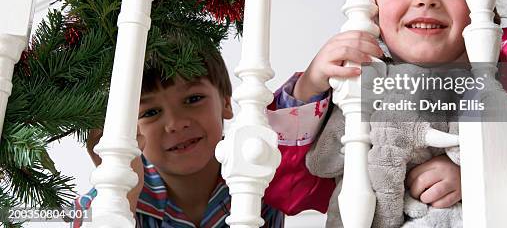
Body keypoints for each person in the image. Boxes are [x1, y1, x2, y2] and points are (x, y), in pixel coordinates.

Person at [273, 0, 507, 218]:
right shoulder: (357, 83)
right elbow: (290, 192)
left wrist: (479, 175)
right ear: (371, 6)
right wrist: (309, 85)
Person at [71, 48, 334, 227]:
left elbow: (287, 139)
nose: (175, 123)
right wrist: (124, 193)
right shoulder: (106, 197)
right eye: (150, 112)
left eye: (193, 99)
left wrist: (309, 84)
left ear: (226, 103)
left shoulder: (255, 166)